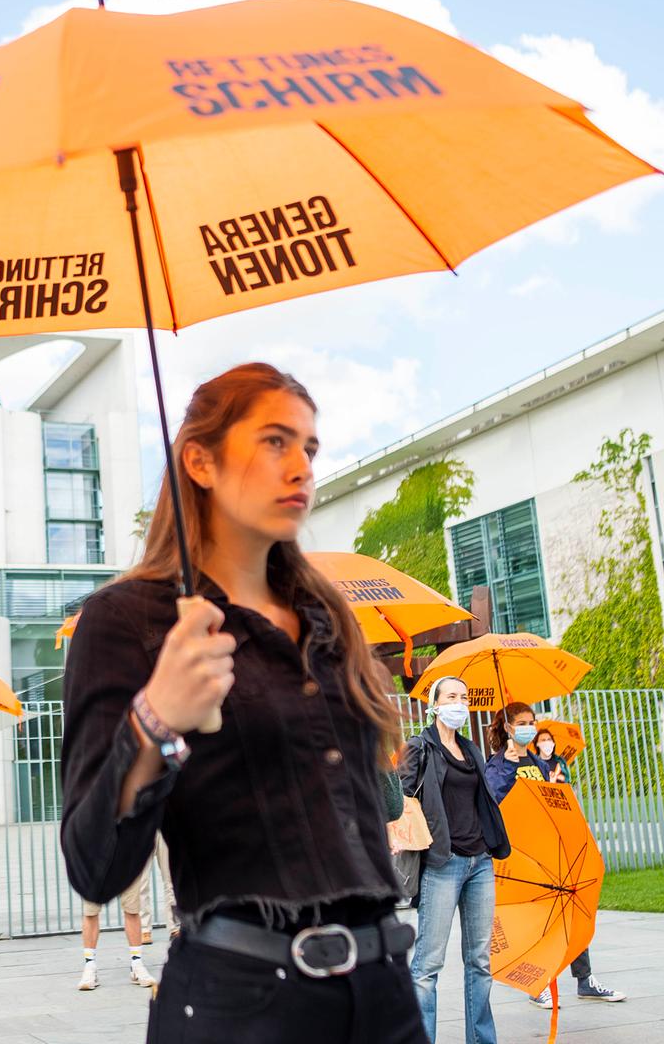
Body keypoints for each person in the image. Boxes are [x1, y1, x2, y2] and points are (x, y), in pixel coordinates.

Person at [61, 363, 427, 1043]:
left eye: (310, 449)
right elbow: (94, 865)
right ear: (199, 460)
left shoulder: (327, 617)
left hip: (386, 994)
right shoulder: (127, 622)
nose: (302, 469)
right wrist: (154, 721)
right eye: (275, 442)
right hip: (243, 1004)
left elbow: (373, 806)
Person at [482, 708, 626, 1008]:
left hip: (548, 849)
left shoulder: (537, 761)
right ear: (508, 727)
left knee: (571, 910)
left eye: (531, 723)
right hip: (520, 854)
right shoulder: (496, 765)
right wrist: (508, 768)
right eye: (521, 724)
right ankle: (536, 983)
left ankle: (585, 980)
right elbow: (494, 802)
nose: (529, 728)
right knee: (535, 920)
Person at [401, 675, 510, 1044]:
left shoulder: (472, 748)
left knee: (480, 962)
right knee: (427, 966)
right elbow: (401, 798)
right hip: (442, 864)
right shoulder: (420, 747)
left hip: (479, 862)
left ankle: (482, 1039)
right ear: (434, 703)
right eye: (451, 696)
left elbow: (484, 798)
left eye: (464, 697)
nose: (459, 703)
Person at [75, 857, 160, 991]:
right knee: (90, 911)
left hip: (128, 855)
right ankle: (89, 966)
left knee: (132, 909)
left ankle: (136, 964)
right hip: (95, 854)